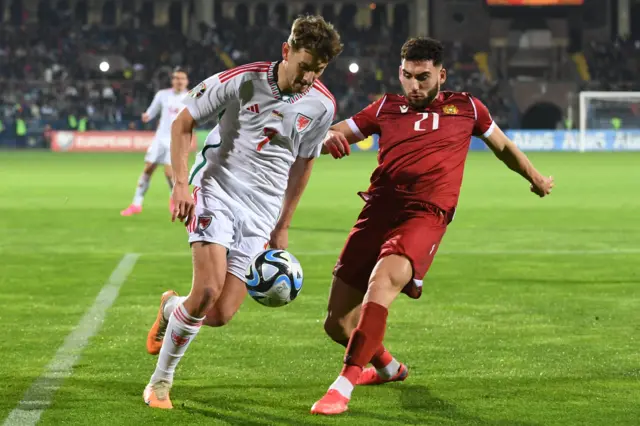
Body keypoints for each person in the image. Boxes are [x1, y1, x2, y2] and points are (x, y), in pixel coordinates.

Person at [311, 37, 555, 415]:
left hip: (426, 213)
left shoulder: (468, 108)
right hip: (377, 211)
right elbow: (338, 132)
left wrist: (534, 176)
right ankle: (389, 367)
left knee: (381, 283)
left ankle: (342, 385)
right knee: (336, 324)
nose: (414, 85)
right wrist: (328, 137)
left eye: (423, 77)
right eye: (407, 76)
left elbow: (503, 146)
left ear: (441, 74)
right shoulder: (386, 107)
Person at [143, 15, 344, 409]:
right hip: (216, 189)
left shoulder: (322, 105)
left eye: (317, 70)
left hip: (261, 212)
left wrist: (283, 224)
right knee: (205, 291)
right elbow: (185, 122)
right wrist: (181, 185)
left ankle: (170, 307)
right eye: (304, 66)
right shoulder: (243, 80)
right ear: (286, 52)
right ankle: (159, 384)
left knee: (218, 314)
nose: (308, 78)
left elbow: (304, 164)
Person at [120, 67, 189, 216]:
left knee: (170, 173)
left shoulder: (191, 98)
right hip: (160, 138)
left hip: (176, 141)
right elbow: (152, 111)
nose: (179, 81)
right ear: (172, 80)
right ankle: (136, 204)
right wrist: (146, 116)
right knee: (148, 168)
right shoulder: (162, 95)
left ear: (187, 81)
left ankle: (174, 200)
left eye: (182, 78)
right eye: (176, 78)